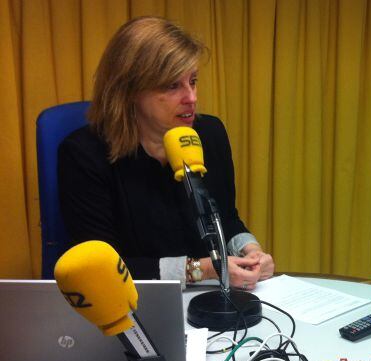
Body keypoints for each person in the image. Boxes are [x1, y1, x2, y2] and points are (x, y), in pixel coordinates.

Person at [58, 16, 273, 290]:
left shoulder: (210, 133)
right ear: (129, 90)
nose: (191, 98)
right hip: (137, 302)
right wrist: (200, 269)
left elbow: (226, 219)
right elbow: (102, 267)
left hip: (209, 293)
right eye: (172, 85)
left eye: (192, 81)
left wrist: (251, 251)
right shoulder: (84, 155)